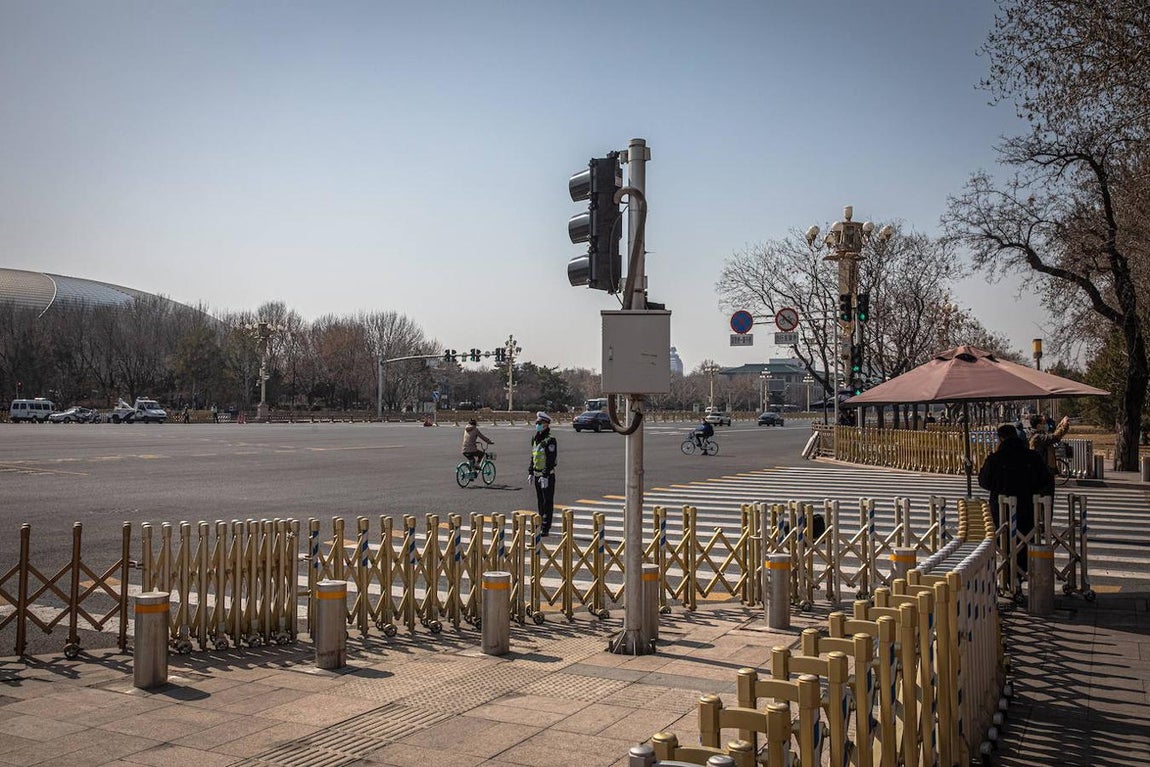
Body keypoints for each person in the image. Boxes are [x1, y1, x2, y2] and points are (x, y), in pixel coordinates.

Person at [978, 423, 1054, 579]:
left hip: (1001, 511)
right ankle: (1022, 574)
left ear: (1000, 438)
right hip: (1027, 508)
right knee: (1025, 541)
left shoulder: (995, 459)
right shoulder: (1033, 457)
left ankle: (1008, 576)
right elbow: (1045, 480)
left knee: (1004, 544)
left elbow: (984, 482)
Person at [528, 412, 558, 535]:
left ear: (546, 424)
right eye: (537, 423)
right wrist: (530, 471)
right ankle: (539, 524)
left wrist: (545, 475)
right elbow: (533, 456)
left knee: (547, 502)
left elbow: (551, 459)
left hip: (547, 476)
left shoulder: (550, 440)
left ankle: (545, 527)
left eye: (540, 423)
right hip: (537, 475)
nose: (537, 425)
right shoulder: (535, 439)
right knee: (540, 501)